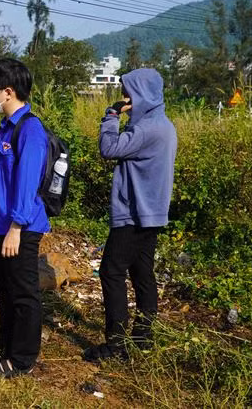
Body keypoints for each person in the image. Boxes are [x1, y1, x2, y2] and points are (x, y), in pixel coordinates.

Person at [83, 68, 177, 361]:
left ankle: (116, 345)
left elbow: (109, 148)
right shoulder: (163, 125)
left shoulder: (147, 129)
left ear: (143, 94)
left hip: (135, 213)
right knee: (141, 272)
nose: (125, 98)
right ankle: (143, 337)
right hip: (151, 213)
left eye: (129, 93)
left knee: (111, 271)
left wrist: (111, 115)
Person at [0, 58, 50, 378]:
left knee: (23, 292)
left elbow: (27, 182)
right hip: (1, 223)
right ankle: (7, 349)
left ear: (7, 92)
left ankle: (22, 360)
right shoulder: (4, 128)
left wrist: (16, 226)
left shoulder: (30, 129)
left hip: (20, 226)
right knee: (7, 289)